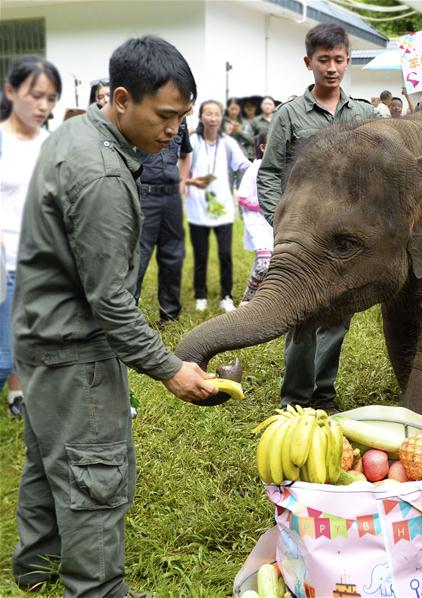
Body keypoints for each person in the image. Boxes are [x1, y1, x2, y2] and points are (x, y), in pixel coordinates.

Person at [11, 35, 213, 596]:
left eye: (182, 118)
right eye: (165, 115)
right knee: (94, 475)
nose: (173, 131)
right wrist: (170, 367)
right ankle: (95, 589)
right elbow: (110, 301)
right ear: (122, 99)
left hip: (39, 333)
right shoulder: (101, 175)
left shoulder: (76, 130)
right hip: (74, 346)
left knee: (49, 459)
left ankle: (36, 571)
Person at [257, 22, 377, 412]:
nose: (331, 67)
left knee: (338, 315)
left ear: (348, 62)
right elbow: (270, 172)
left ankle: (323, 395)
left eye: (339, 60)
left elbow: (386, 164)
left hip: (344, 238)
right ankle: (294, 399)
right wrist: (283, 223)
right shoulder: (290, 116)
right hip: (303, 237)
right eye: (323, 60)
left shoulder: (364, 114)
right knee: (299, 315)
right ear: (309, 62)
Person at [1, 55, 61, 419]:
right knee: (4, 347)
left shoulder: (53, 143)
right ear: (10, 91)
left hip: (40, 258)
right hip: (4, 259)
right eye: (36, 95)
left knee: (30, 336)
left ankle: (18, 393)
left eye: (51, 98)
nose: (44, 105)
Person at [184, 99, 251, 313]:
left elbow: (243, 165)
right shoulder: (193, 141)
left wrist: (258, 167)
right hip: (198, 207)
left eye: (216, 114)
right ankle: (200, 295)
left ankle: (226, 296)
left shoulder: (228, 143)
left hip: (222, 208)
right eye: (208, 114)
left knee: (224, 255)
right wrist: (191, 182)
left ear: (221, 117)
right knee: (201, 255)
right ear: (201, 116)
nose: (212, 118)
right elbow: (183, 171)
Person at [134, 116, 192, 326]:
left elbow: (185, 155)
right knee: (138, 255)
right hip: (144, 195)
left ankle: (169, 315)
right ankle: (128, 312)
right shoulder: (143, 114)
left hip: (171, 197)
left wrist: (182, 182)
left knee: (173, 254)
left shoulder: (182, 122)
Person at [236, 131, 273, 303]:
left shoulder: (277, 168)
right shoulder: (255, 168)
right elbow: (242, 197)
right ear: (263, 147)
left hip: (273, 221)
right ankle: (247, 300)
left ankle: (263, 299)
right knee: (264, 263)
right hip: (257, 221)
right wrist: (265, 204)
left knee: (271, 261)